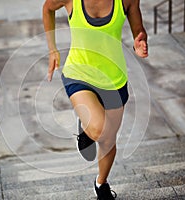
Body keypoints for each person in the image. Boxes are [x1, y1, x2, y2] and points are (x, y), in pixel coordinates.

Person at [43, 0, 148, 199]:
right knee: (99, 129)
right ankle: (87, 124)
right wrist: (52, 49)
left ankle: (101, 183)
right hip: (79, 73)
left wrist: (140, 41)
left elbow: (138, 30)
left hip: (114, 80)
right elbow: (47, 8)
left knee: (108, 139)